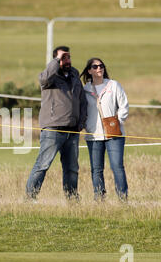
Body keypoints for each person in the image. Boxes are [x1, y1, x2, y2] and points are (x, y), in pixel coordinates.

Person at [26, 46, 87, 201]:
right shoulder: (50, 77)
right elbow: (43, 79)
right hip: (53, 129)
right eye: (63, 57)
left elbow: (82, 100)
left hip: (72, 130)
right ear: (56, 60)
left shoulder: (74, 75)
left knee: (72, 169)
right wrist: (56, 60)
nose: (67, 60)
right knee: (43, 165)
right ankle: (30, 198)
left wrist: (80, 123)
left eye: (69, 57)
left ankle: (72, 199)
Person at [80, 58, 129, 202]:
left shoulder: (113, 85)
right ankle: (99, 199)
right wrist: (85, 126)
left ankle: (123, 199)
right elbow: (82, 111)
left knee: (117, 167)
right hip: (93, 135)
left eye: (101, 66)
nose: (99, 69)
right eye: (95, 67)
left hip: (114, 134)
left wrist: (116, 123)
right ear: (89, 71)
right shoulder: (85, 90)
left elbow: (124, 106)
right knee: (96, 169)